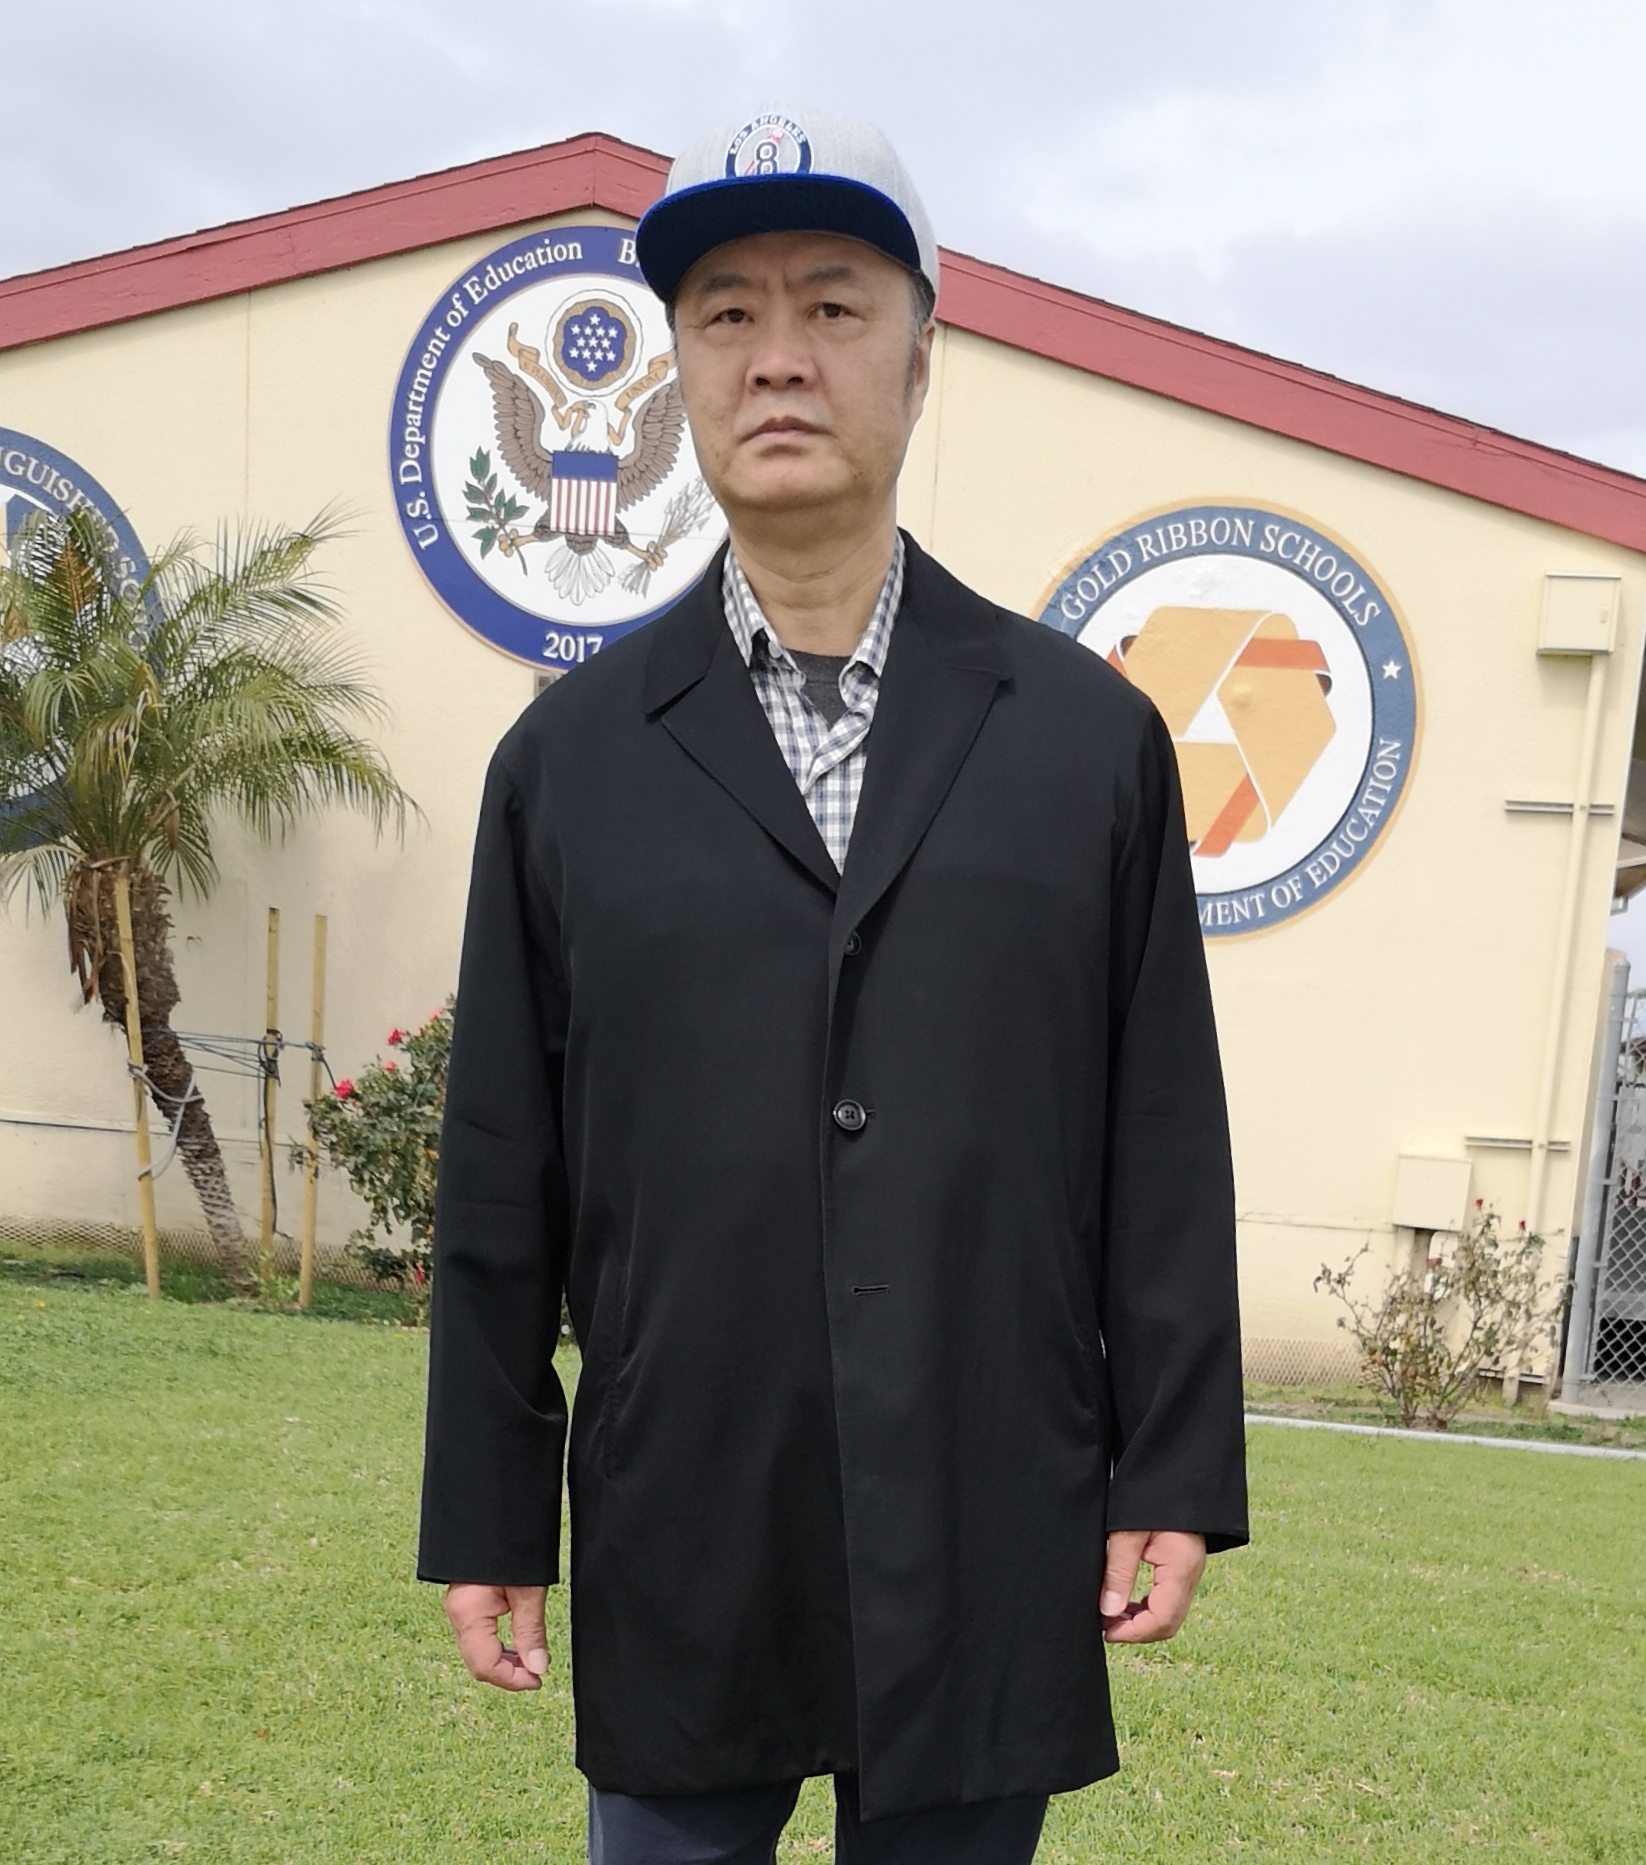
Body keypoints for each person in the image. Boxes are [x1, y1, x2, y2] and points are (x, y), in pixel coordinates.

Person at [418, 109, 1247, 1865]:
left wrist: (1170, 1464)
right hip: (687, 1498)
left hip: (983, 1494)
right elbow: (501, 1167)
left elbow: (1159, 1135)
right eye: (723, 313)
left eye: (833, 305)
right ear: (675, 372)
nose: (777, 355)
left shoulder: (1083, 742)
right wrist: (487, 1508)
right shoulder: (566, 762)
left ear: (923, 356)